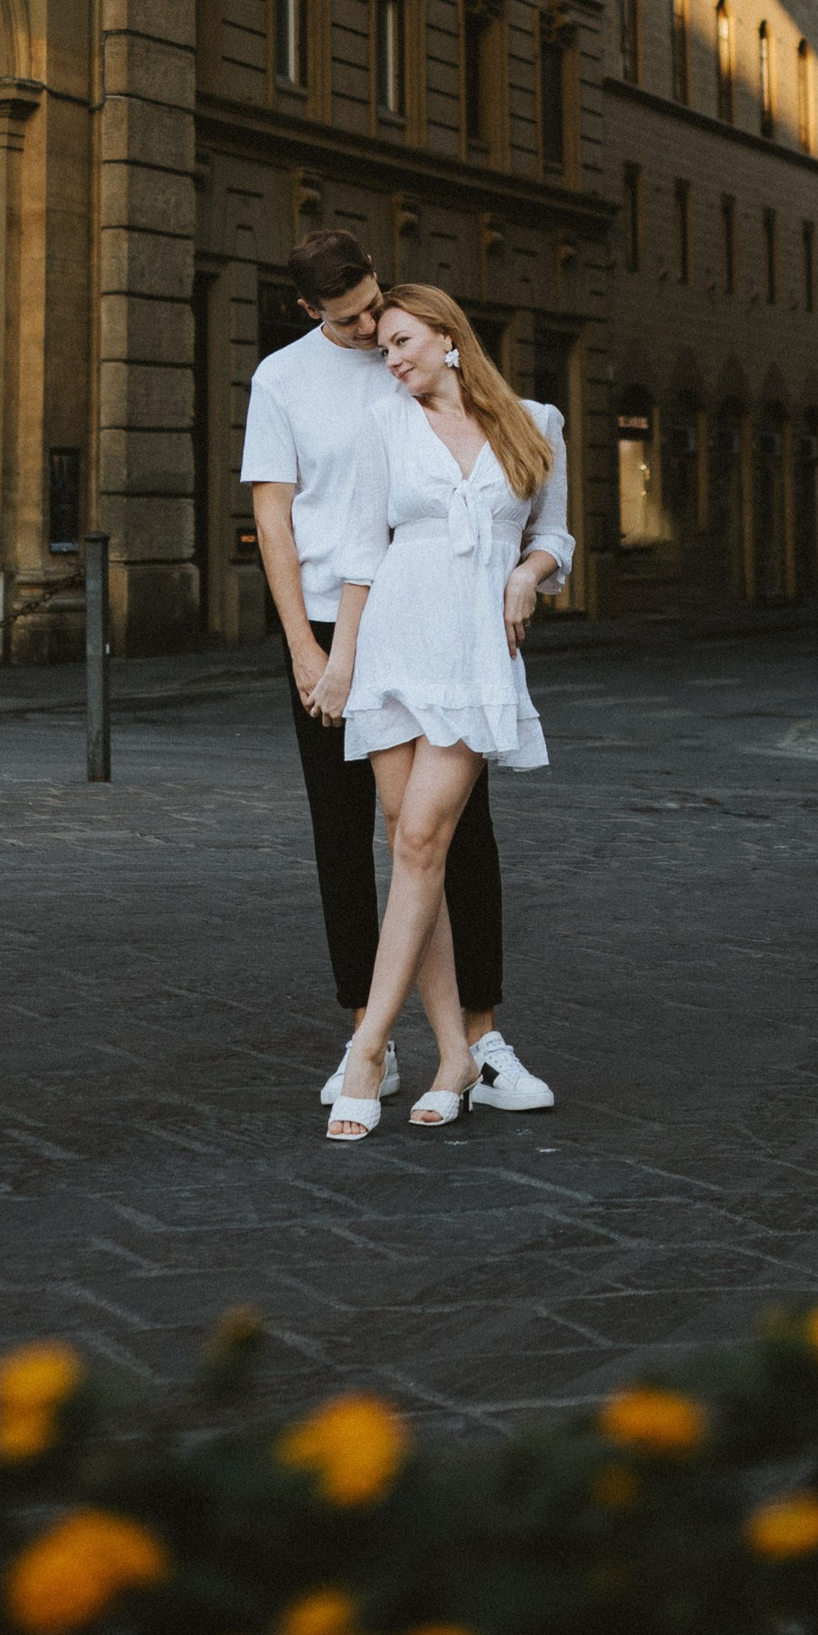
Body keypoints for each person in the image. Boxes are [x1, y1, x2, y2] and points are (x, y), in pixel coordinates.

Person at [242, 230, 554, 1116]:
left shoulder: (410, 347)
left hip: (430, 612)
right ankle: (362, 1038)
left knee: (458, 835)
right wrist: (305, 647)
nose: (375, 327)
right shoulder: (283, 380)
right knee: (346, 839)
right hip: (336, 620)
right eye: (353, 321)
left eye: (379, 306)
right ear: (311, 312)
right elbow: (274, 522)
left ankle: (481, 1043)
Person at [312, 287, 573, 1140]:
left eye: (402, 341)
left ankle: (370, 1046)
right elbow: (360, 552)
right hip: (393, 645)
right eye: (384, 348)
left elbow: (556, 538)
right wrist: (341, 664)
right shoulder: (384, 425)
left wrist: (525, 576)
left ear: (450, 338)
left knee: (423, 841)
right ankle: (458, 1054)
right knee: (406, 842)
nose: (392, 360)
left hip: (471, 654)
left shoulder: (537, 422)